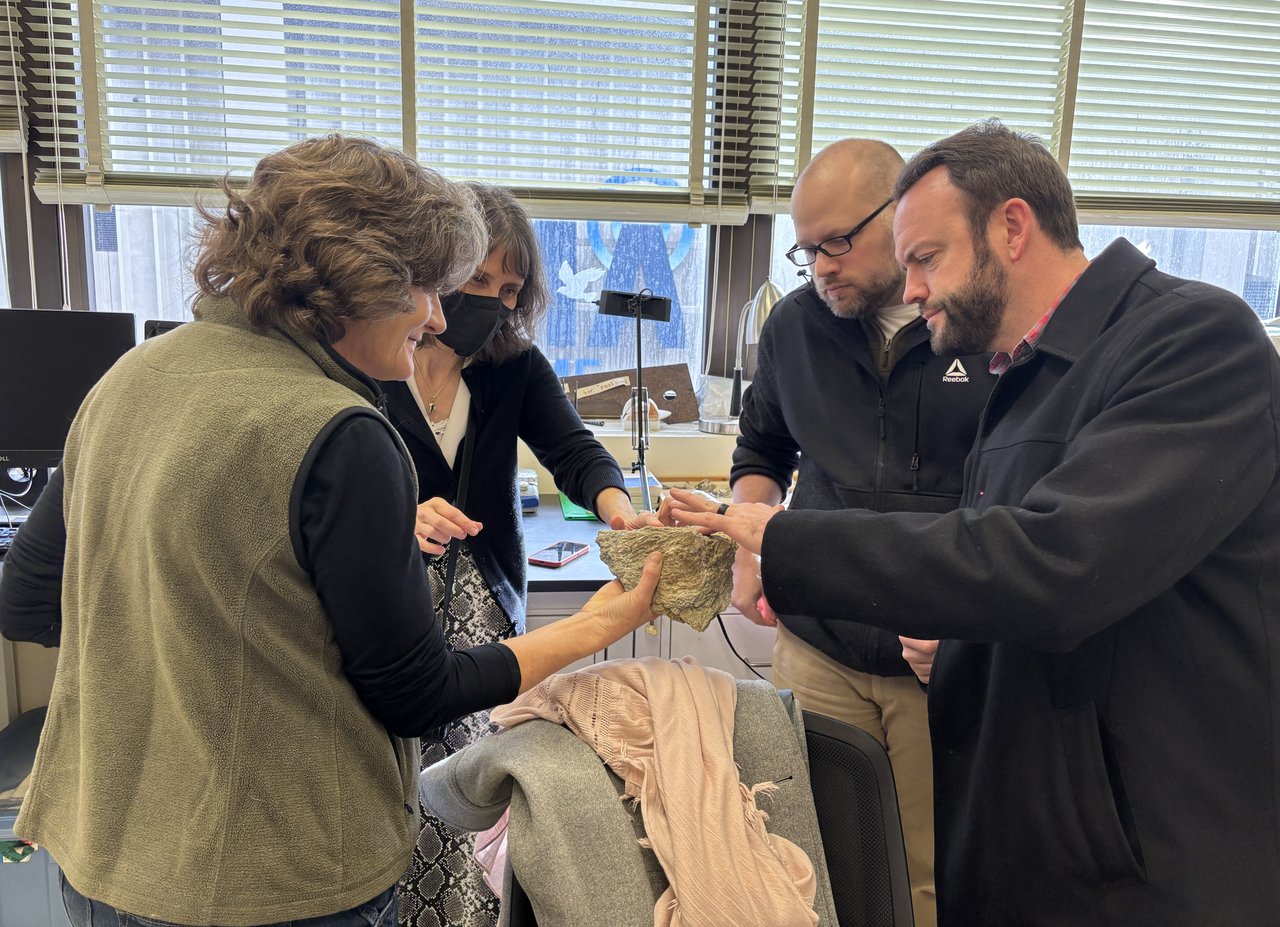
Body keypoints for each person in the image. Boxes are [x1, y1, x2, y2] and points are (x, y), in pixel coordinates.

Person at [0, 134, 662, 927]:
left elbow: (28, 600)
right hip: (266, 876)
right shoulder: (338, 427)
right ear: (360, 273)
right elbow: (418, 693)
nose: (439, 313)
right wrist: (598, 623)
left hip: (103, 853)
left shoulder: (128, 379)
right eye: (424, 287)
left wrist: (193, 655)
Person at [668, 119, 1280, 925]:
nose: (916, 288)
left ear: (1012, 227)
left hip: (1145, 843)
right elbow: (1009, 554)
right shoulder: (1024, 365)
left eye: (925, 257)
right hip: (1019, 791)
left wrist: (779, 539)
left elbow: (1054, 562)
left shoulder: (1196, 340)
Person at [710, 138, 993, 927]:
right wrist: (747, 542)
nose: (822, 265)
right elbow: (761, 450)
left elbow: (1022, 492)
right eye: (807, 249)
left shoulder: (974, 325)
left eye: (838, 242)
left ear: (899, 215)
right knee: (817, 854)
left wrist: (969, 624)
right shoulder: (795, 327)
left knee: (928, 869)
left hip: (937, 658)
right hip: (818, 644)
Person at [379, 182, 655, 927]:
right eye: (477, 281)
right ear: (436, 268)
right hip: (385, 600)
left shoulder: (512, 367)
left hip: (482, 599)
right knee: (387, 784)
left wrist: (617, 505)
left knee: (467, 784)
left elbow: (575, 451)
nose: (493, 303)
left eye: (508, 289)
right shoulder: (370, 364)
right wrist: (399, 517)